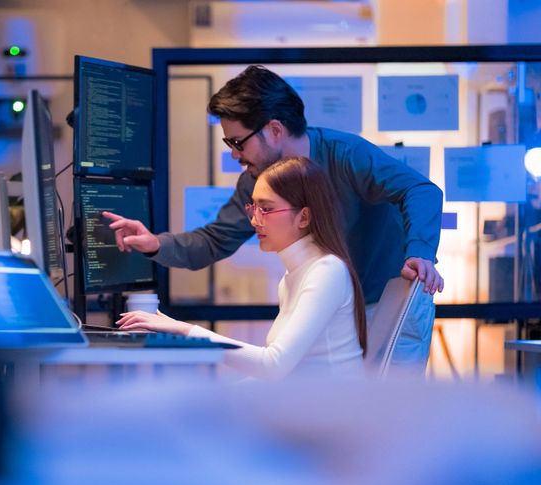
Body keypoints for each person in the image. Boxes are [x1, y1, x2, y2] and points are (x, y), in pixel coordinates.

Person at [103, 65, 444, 371]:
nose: (234, 154)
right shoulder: (257, 181)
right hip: (340, 308)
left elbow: (420, 190)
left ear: (275, 130)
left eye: (238, 142)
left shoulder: (347, 156)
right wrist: (155, 244)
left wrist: (419, 253)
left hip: (386, 298)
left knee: (387, 408)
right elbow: (216, 239)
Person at [117, 157, 366, 379]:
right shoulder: (296, 275)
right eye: (253, 208)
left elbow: (272, 365)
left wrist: (183, 329)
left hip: (330, 411)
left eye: (266, 209)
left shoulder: (326, 271)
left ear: (304, 217)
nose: (255, 220)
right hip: (306, 404)